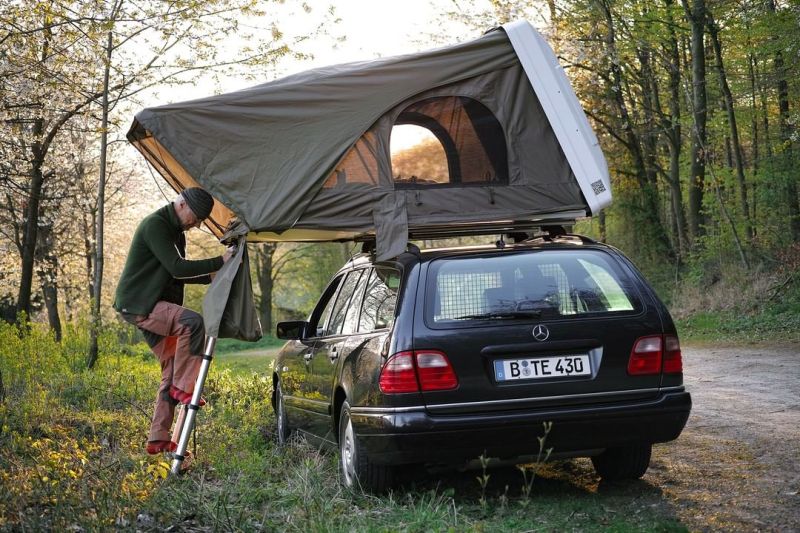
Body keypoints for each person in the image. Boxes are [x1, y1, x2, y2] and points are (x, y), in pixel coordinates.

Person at [113, 187, 233, 455]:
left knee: (170, 368)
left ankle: (159, 437)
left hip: (151, 303)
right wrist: (220, 261)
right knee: (192, 322)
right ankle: (183, 387)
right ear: (182, 204)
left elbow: (175, 274)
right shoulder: (156, 225)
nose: (197, 224)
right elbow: (178, 267)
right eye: (197, 217)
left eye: (201, 220)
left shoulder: (175, 232)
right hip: (140, 304)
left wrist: (211, 276)